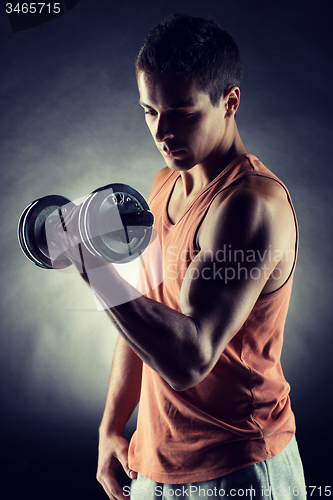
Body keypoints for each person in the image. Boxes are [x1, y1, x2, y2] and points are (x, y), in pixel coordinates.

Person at [59, 13, 306, 500]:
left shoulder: (249, 205)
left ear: (229, 102)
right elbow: (143, 312)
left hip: (239, 469)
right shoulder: (165, 183)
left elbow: (191, 356)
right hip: (154, 463)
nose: (161, 131)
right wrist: (112, 427)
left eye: (181, 112)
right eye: (149, 112)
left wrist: (91, 265)